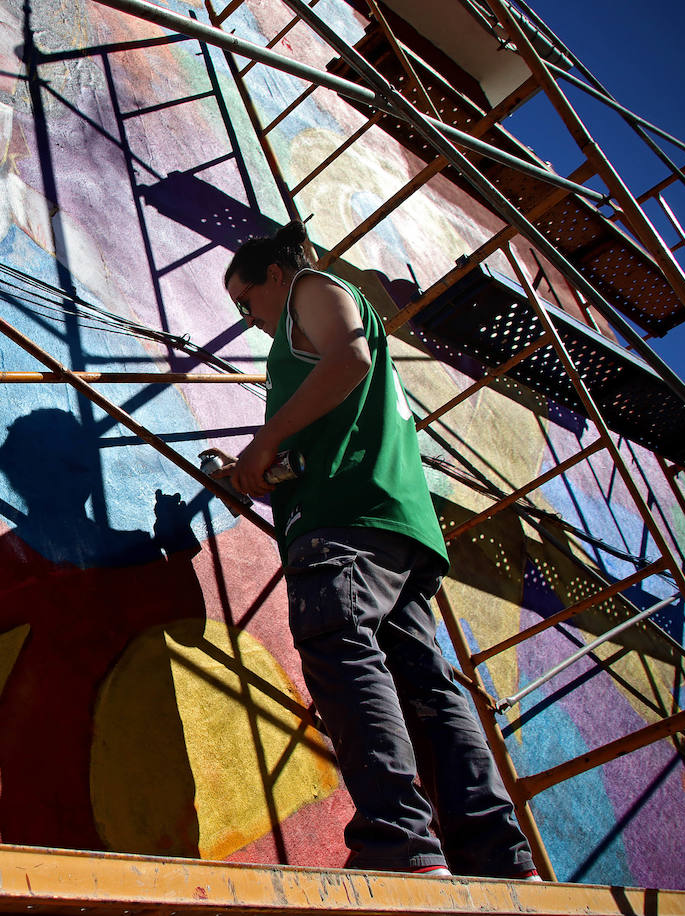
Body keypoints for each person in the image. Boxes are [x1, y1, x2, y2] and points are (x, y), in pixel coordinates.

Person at [206, 220, 539, 879]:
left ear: (275, 274)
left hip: (346, 525)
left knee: (341, 649)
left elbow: (349, 358)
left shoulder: (312, 286)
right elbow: (330, 432)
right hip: (392, 526)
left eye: (245, 301)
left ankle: (398, 840)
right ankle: (496, 854)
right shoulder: (307, 337)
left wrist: (263, 443)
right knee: (425, 683)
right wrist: (255, 468)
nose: (248, 319)